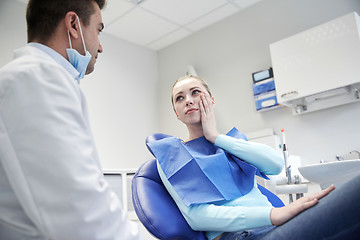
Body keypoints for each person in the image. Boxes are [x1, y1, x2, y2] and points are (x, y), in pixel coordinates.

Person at [146, 75, 360, 240]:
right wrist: (273, 215)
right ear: (176, 112)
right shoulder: (172, 157)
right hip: (244, 235)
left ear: (211, 100)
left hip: (273, 225)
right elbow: (197, 217)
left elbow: (275, 164)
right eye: (180, 98)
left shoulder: (230, 144)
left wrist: (215, 137)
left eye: (195, 92)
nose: (189, 101)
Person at [0, 0, 142, 239]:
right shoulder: (37, 78)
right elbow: (83, 218)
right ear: (74, 25)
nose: (100, 47)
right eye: (98, 30)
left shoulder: (36, 77)